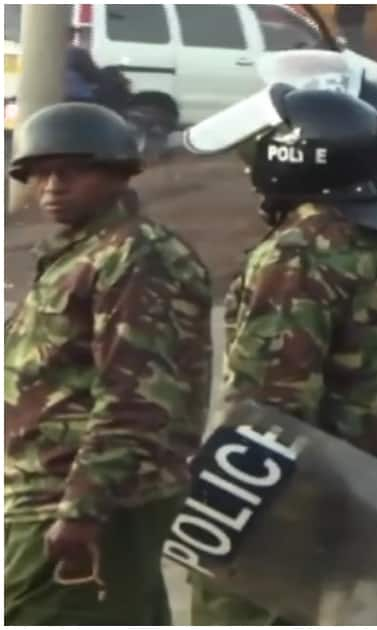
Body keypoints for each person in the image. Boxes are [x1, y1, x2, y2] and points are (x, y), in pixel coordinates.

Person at [189, 87, 377, 624]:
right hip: (369, 482)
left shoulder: (299, 250)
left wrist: (222, 512)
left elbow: (269, 401)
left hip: (290, 497)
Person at [5, 103, 212, 625]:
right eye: (39, 173)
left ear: (117, 174)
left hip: (90, 501)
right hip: (53, 491)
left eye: (71, 172)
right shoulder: (78, 252)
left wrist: (83, 509)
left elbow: (135, 398)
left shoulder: (137, 256)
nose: (51, 186)